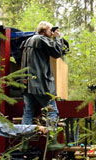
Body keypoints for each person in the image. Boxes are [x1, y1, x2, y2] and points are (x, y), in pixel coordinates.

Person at [20, 21, 65, 151]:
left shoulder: (27, 41)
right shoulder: (41, 39)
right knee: (52, 111)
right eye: (51, 30)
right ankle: (52, 141)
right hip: (40, 84)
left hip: (27, 84)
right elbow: (57, 52)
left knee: (28, 112)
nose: (52, 33)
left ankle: (25, 142)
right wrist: (57, 38)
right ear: (44, 30)